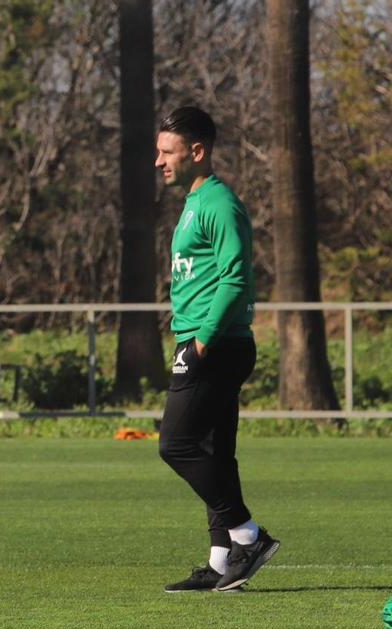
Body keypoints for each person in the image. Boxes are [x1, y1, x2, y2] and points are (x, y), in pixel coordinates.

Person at [154, 106, 278, 593]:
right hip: (207, 340)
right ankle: (223, 561)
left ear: (197, 152)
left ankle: (248, 536)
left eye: (167, 151)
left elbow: (236, 277)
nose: (158, 161)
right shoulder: (194, 201)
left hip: (217, 343)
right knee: (213, 451)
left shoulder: (219, 203)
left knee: (175, 444)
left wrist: (202, 338)